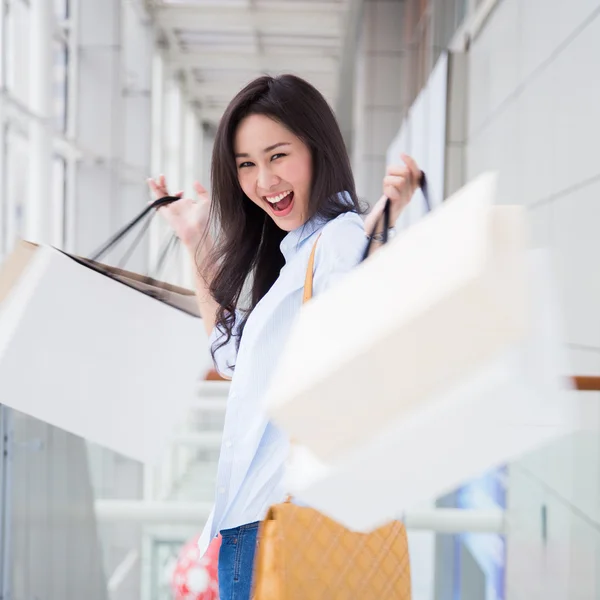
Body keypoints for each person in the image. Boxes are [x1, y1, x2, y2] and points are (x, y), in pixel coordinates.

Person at [148, 74, 421, 600]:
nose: (263, 180)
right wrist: (195, 237)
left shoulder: (340, 240)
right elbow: (233, 358)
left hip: (286, 523)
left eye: (278, 155)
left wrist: (386, 222)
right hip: (264, 522)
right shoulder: (301, 251)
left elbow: (362, 299)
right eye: (246, 164)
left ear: (317, 149)